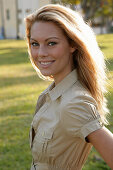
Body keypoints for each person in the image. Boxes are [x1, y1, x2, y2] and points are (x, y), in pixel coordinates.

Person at [24, 4, 113, 170]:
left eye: (51, 43)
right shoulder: (50, 95)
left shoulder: (75, 102)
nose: (40, 53)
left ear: (73, 44)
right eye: (35, 43)